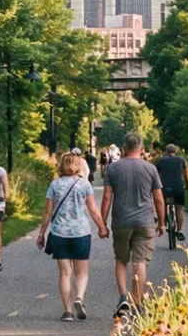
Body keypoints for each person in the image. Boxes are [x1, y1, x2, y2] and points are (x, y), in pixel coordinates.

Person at [99, 131, 166, 319]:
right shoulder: (150, 169)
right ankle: (137, 303)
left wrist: (102, 223)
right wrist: (161, 223)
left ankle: (123, 297)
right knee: (140, 262)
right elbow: (159, 199)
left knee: (121, 260)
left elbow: (106, 197)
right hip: (145, 222)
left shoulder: (113, 169)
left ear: (123, 149)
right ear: (142, 149)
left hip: (121, 222)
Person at [35, 149, 107, 321]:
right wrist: (102, 227)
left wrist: (41, 233)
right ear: (78, 166)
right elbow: (93, 210)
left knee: (65, 273)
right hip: (81, 233)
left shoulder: (55, 185)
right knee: (81, 272)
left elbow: (48, 212)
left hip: (60, 233)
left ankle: (67, 311)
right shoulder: (84, 185)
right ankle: (79, 298)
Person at [155, 143, 188, 238]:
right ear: (175, 151)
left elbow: (156, 174)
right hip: (178, 188)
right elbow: (185, 175)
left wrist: (156, 186)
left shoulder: (161, 161)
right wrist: (187, 185)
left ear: (166, 151)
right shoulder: (180, 160)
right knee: (179, 209)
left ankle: (165, 218)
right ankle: (179, 231)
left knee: (164, 205)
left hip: (165, 188)